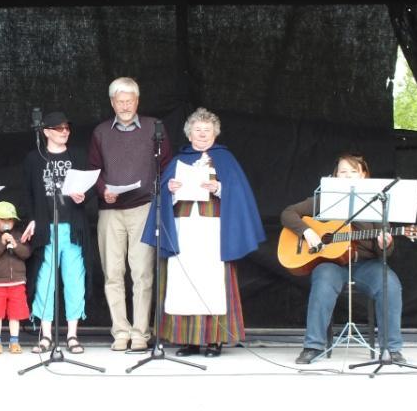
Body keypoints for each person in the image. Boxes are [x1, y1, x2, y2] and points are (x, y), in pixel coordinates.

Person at [142, 107, 265, 357]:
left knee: (211, 282)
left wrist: (219, 187)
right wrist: (171, 190)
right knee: (184, 282)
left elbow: (239, 194)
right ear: (189, 134)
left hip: (213, 230)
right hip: (184, 229)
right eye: (198, 130)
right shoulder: (178, 161)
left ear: (215, 134)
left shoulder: (225, 159)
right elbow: (162, 197)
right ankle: (188, 341)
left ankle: (214, 340)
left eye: (207, 130)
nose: (202, 134)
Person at [280, 153, 406, 364]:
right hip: (332, 263)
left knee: (390, 285)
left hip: (366, 264)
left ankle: (391, 348)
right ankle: (313, 346)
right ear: (335, 175)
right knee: (323, 281)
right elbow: (288, 213)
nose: (347, 176)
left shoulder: (378, 203)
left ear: (363, 175)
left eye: (353, 171)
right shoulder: (326, 199)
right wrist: (307, 232)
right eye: (343, 172)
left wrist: (386, 244)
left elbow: (385, 253)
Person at [88, 77, 172, 351]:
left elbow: (166, 165)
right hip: (110, 211)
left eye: (129, 100)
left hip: (144, 207)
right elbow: (94, 169)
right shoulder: (101, 131)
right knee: (112, 273)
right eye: (119, 101)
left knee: (142, 273)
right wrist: (103, 191)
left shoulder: (154, 127)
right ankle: (120, 332)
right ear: (112, 102)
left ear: (137, 101)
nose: (124, 106)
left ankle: (140, 334)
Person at [20, 111, 92, 354]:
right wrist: (32, 219)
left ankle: (72, 335)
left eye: (67, 128)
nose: (65, 132)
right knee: (45, 280)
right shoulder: (34, 158)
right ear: (46, 131)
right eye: (59, 128)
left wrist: (83, 196)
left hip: (72, 226)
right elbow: (27, 193)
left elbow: (89, 189)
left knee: (74, 279)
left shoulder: (78, 156)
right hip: (46, 226)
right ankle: (46, 334)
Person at [0, 201, 32, 354]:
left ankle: (14, 341)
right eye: (2, 219)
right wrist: (2, 243)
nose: (6, 223)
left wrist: (15, 245)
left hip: (17, 282)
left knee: (15, 314)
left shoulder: (18, 235)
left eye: (9, 220)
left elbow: (26, 253)